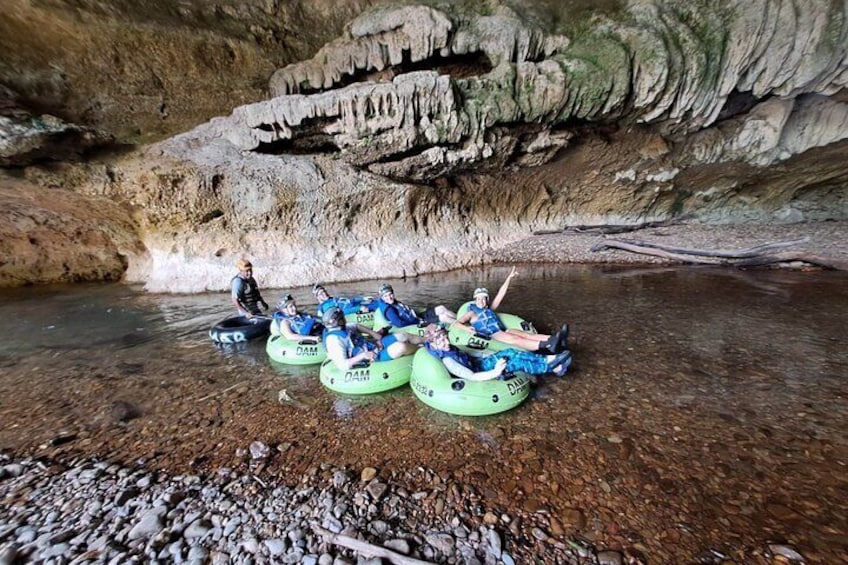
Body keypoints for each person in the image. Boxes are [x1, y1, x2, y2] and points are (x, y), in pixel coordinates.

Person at [454, 266, 569, 353]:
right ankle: (547, 345)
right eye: (479, 299)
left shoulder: (489, 308)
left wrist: (509, 277)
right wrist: (468, 329)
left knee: (527, 335)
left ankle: (556, 339)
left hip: (502, 330)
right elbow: (457, 324)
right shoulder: (472, 313)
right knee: (516, 340)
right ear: (475, 300)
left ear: (487, 300)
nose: (481, 301)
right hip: (492, 335)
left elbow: (501, 293)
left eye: (484, 299)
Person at [425, 325, 572, 380]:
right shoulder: (448, 361)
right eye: (442, 341)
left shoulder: (448, 348)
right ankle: (552, 366)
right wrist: (496, 371)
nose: (447, 342)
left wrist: (489, 354)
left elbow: (470, 354)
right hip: (480, 371)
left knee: (510, 351)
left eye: (445, 338)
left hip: (479, 363)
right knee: (514, 362)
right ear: (434, 344)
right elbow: (472, 376)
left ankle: (549, 359)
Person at [322, 307, 423, 371]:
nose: (344, 319)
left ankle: (428, 339)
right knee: (400, 347)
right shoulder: (334, 340)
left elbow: (356, 326)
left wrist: (373, 333)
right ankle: (422, 349)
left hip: (373, 346)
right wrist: (364, 355)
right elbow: (342, 365)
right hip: (371, 357)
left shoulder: (344, 328)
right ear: (336, 322)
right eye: (342, 318)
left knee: (403, 335)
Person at [376, 283, 457, 328]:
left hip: (417, 317)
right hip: (416, 323)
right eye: (386, 296)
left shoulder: (393, 302)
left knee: (441, 308)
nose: (389, 297)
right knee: (443, 317)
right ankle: (462, 326)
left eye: (390, 294)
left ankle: (461, 320)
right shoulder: (389, 310)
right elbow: (399, 324)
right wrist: (418, 322)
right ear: (382, 298)